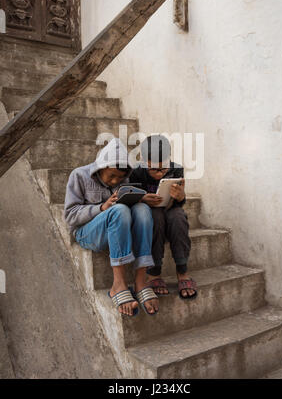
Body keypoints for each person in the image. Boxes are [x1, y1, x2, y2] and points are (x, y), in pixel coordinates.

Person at [64, 138, 159, 317]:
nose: (115, 181)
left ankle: (140, 280)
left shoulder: (124, 179)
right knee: (119, 210)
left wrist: (140, 198)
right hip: (87, 234)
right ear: (101, 168)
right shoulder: (79, 175)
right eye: (112, 176)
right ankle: (118, 284)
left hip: (115, 231)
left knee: (143, 209)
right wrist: (101, 207)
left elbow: (128, 209)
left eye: (120, 177)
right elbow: (70, 215)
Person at [129, 135, 197, 299]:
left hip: (170, 210)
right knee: (156, 217)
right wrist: (142, 198)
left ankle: (182, 270)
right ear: (144, 161)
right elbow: (129, 199)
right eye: (154, 169)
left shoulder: (176, 169)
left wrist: (180, 196)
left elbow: (179, 203)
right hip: (150, 215)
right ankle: (154, 273)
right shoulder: (136, 173)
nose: (159, 173)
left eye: (163, 168)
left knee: (179, 216)